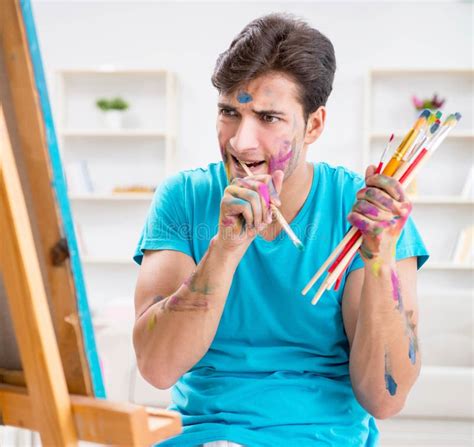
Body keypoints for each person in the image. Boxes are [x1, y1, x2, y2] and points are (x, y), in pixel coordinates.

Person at [132, 13, 429, 447]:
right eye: (229, 113)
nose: (240, 141)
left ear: (313, 125)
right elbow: (156, 369)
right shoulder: (183, 197)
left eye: (268, 118)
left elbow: (384, 398)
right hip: (203, 438)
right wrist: (225, 251)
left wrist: (381, 258)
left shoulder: (362, 211)